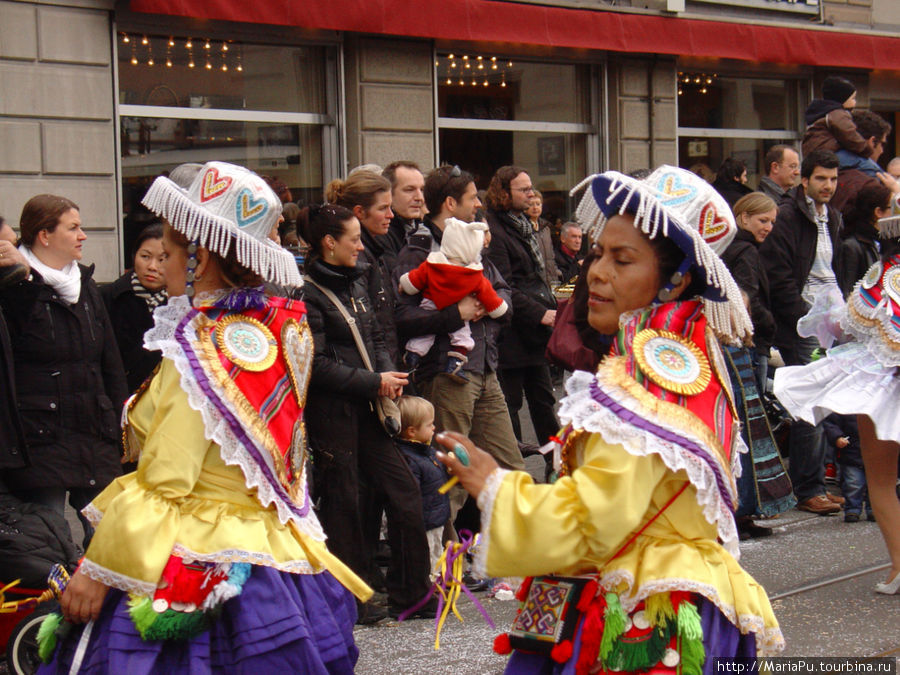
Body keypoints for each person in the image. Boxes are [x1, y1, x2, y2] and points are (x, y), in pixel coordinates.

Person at [437, 167, 783, 672]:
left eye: (623, 259)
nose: (597, 272)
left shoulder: (648, 375)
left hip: (641, 606)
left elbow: (598, 521)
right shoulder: (678, 352)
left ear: (676, 281)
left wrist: (496, 486)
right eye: (598, 253)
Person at [37, 162, 367, 672]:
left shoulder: (198, 351)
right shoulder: (268, 328)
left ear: (200, 255)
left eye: (168, 252)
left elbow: (167, 482)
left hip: (197, 559)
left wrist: (101, 569)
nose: (160, 265)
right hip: (272, 559)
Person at [300, 203, 435, 622]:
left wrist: (385, 375)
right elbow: (315, 365)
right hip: (332, 412)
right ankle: (351, 600)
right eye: (353, 239)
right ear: (329, 243)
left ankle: (411, 593)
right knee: (343, 504)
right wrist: (374, 381)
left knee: (404, 490)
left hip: (370, 404)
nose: (361, 246)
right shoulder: (305, 292)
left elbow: (376, 334)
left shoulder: (357, 280)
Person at [774, 196, 900, 594]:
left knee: (880, 481)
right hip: (882, 379)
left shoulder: (884, 274)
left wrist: (829, 315)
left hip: (881, 385)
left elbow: (854, 321)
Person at [393, 165, 523, 530]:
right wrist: (457, 314)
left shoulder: (474, 238)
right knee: (450, 476)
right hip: (448, 375)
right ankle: (441, 571)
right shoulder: (419, 250)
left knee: (509, 466)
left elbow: (503, 293)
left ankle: (518, 559)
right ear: (450, 204)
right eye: (472, 198)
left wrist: (492, 309)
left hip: (484, 368)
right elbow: (402, 318)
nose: (479, 205)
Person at [0, 195, 127, 549]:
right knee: (47, 543)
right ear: (44, 235)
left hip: (93, 433)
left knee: (111, 541)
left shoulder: (85, 285)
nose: (83, 235)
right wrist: (22, 284)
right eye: (73, 228)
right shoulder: (14, 286)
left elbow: (109, 362)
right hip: (40, 437)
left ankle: (104, 605)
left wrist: (121, 423)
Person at [760, 149, 845, 516]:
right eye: (821, 178)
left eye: (833, 179)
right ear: (805, 180)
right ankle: (808, 487)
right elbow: (779, 276)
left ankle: (813, 482)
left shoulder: (834, 218)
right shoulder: (789, 216)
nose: (828, 185)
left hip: (832, 318)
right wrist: (802, 318)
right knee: (810, 404)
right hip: (802, 321)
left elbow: (834, 269)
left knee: (824, 402)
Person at [484, 166, 560, 449]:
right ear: (504, 193)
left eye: (531, 188)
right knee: (511, 407)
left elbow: (535, 277)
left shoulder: (524, 224)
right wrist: (542, 313)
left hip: (533, 336)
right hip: (511, 336)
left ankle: (557, 468)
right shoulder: (495, 229)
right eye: (524, 189)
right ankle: (516, 473)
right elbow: (504, 286)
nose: (531, 194)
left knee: (544, 404)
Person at [399, 217, 508, 381]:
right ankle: (455, 362)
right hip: (459, 307)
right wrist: (496, 309)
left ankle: (413, 354)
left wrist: (404, 284)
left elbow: (413, 281)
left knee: (425, 336)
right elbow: (493, 300)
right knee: (462, 337)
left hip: (430, 304)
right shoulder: (475, 275)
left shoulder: (431, 264)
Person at [326, 170, 399, 364]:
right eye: (383, 208)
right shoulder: (357, 258)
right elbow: (369, 325)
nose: (390, 215)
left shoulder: (375, 251)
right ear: (359, 212)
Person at [101, 223, 167, 393]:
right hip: (120, 398)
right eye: (145, 256)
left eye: (162, 259)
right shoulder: (107, 297)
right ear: (134, 256)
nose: (152, 266)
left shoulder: (182, 305)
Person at [721, 193, 777, 389]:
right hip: (749, 339)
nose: (768, 228)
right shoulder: (747, 251)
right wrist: (768, 323)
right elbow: (747, 296)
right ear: (744, 218)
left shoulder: (726, 245)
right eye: (763, 220)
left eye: (772, 222)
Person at [394, 395, 450, 577]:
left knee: (436, 552)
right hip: (425, 520)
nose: (434, 428)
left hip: (435, 517)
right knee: (427, 557)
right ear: (411, 431)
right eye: (429, 425)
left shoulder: (427, 451)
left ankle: (436, 583)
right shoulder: (410, 459)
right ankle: (429, 587)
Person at [835, 181, 892, 298]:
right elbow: (848, 292)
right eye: (892, 208)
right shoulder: (852, 246)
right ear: (878, 212)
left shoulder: (887, 242)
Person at [801, 76, 870, 159]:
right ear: (842, 98)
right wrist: (866, 149)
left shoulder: (822, 112)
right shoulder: (838, 113)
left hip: (816, 154)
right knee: (865, 164)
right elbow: (849, 134)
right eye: (853, 98)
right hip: (828, 154)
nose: (855, 102)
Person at [822, 414, 873, 523]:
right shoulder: (846, 404)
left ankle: (874, 509)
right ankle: (852, 508)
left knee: (875, 485)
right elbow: (831, 423)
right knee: (853, 484)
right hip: (851, 452)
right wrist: (837, 437)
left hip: (874, 452)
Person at [383, 161, 425, 255]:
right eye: (409, 190)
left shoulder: (424, 231)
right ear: (389, 194)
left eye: (421, 190)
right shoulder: (381, 234)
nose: (419, 197)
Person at [526, 189, 560, 288]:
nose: (535, 207)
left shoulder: (546, 228)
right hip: (535, 282)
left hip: (551, 280)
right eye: (531, 204)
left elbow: (551, 256)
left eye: (538, 204)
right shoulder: (524, 229)